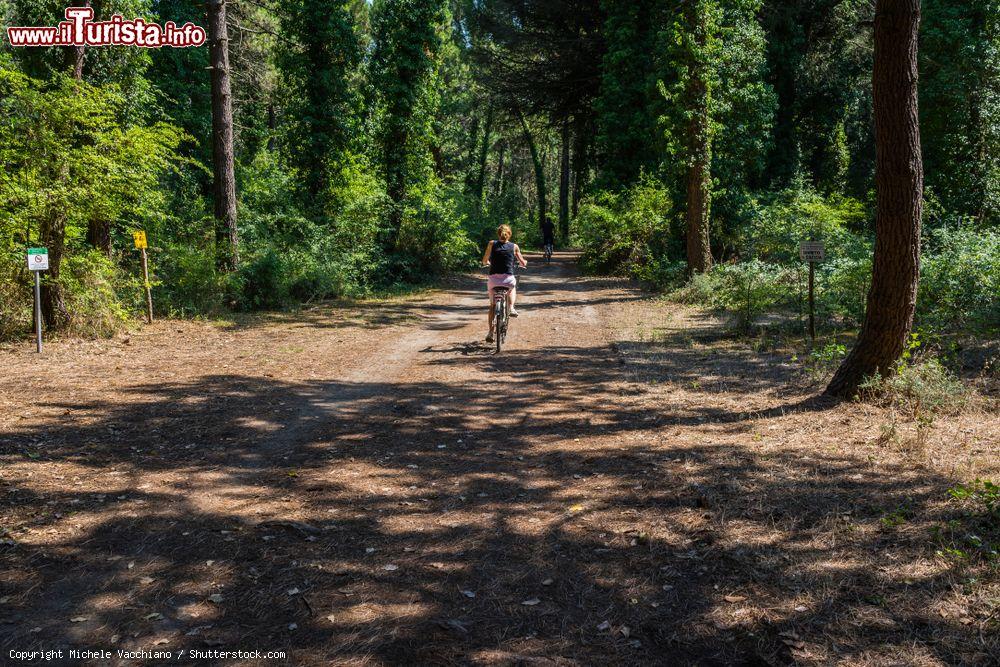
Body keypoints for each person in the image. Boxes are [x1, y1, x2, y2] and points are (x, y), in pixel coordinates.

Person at [482, 224, 528, 342]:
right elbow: (522, 262)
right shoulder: (514, 246)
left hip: (493, 281)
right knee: (512, 288)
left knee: (492, 306)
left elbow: (484, 260)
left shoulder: (491, 244)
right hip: (508, 280)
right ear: (509, 234)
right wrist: (524, 263)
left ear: (498, 233)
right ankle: (511, 307)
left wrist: (487, 263)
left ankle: (491, 332)